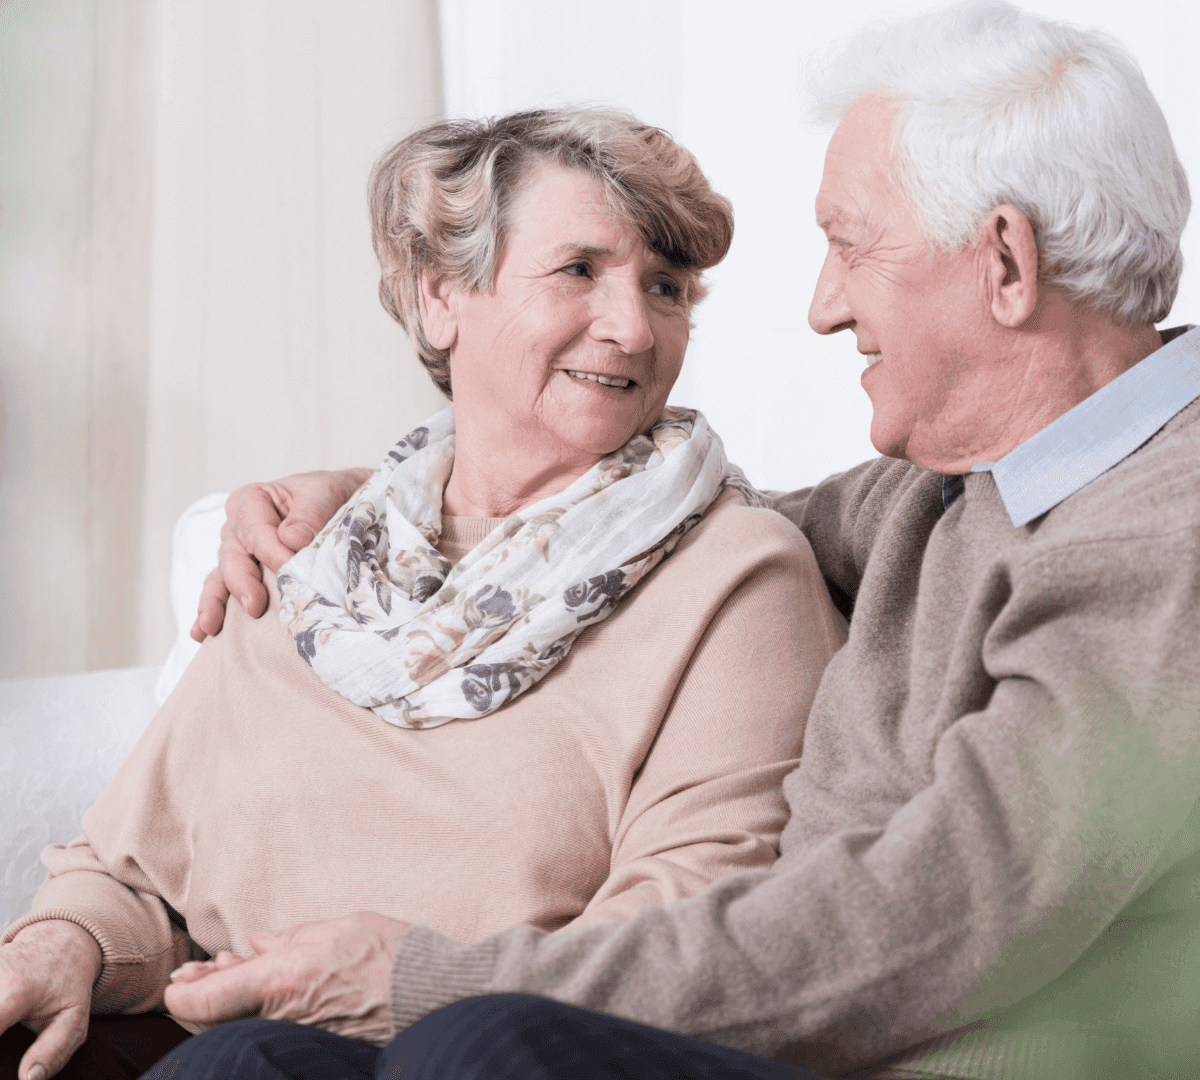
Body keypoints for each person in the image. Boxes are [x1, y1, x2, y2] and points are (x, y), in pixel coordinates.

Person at [136, 1, 1200, 1078]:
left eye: (849, 246)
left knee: (479, 1047)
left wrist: (431, 980)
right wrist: (394, 504)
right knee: (245, 1063)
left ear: (1005, 262)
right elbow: (642, 525)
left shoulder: (1168, 538)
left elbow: (940, 918)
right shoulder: (960, 491)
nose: (825, 307)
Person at [0, 111, 847, 1080]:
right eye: (579, 270)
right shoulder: (324, 555)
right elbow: (128, 869)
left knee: (243, 1062)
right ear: (439, 295)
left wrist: (403, 986)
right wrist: (64, 943)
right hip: (233, 1038)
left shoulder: (737, 579)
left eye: (667, 287)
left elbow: (685, 937)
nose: (633, 327)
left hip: (495, 1050)